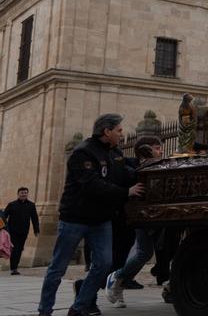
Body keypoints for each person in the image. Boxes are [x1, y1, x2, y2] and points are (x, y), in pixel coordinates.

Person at [37, 114, 144, 316]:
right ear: (107, 131)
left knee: (104, 264)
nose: (122, 134)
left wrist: (149, 163)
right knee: (58, 268)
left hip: (101, 220)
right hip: (74, 219)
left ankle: (79, 307)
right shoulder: (83, 153)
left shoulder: (115, 153)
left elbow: (127, 170)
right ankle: (45, 310)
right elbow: (92, 185)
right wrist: (125, 192)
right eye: (119, 130)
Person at [106, 136, 163, 308]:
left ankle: (118, 282)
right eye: (156, 147)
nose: (160, 151)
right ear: (145, 149)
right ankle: (114, 280)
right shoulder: (129, 164)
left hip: (151, 215)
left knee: (143, 253)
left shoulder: (160, 165)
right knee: (139, 253)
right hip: (129, 217)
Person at [5, 186, 40, 275]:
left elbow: (34, 218)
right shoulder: (12, 204)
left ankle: (15, 267)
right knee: (15, 248)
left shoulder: (31, 205)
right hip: (12, 231)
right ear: (18, 194)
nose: (24, 194)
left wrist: (36, 230)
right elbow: (4, 217)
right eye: (22, 193)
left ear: (27, 194)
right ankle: (13, 268)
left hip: (24, 231)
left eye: (25, 193)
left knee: (20, 249)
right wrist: (3, 229)